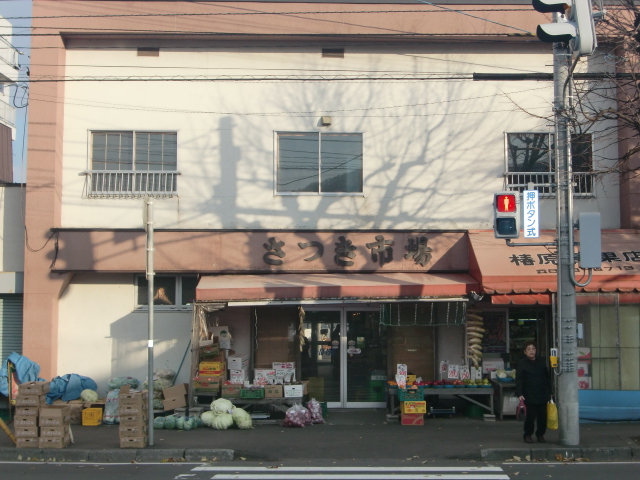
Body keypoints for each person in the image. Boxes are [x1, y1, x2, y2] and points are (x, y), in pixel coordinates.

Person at [515, 341, 552, 444]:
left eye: (533, 349)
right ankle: (527, 435)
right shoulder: (522, 363)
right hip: (529, 394)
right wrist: (519, 393)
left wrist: (550, 391)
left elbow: (547, 377)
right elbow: (519, 379)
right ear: (525, 352)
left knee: (542, 416)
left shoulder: (541, 362)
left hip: (542, 393)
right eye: (529, 349)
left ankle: (540, 434)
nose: (531, 351)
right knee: (530, 417)